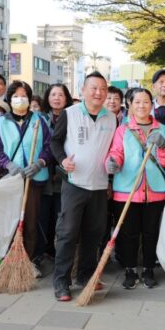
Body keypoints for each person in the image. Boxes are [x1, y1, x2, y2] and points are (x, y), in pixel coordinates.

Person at [50, 72, 117, 302]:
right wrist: (62, 160)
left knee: (94, 233)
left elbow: (113, 150)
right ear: (83, 89)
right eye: (93, 88)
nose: (98, 92)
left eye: (102, 88)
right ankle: (61, 281)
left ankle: (86, 275)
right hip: (74, 183)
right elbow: (55, 142)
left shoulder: (111, 118)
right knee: (67, 233)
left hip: (99, 185)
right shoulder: (69, 114)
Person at [105, 88, 165, 289]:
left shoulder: (163, 130)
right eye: (137, 102)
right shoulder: (123, 130)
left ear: (152, 105)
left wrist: (162, 147)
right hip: (127, 189)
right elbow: (116, 152)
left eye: (146, 102)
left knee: (151, 232)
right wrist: (112, 163)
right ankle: (130, 269)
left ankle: (149, 269)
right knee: (128, 233)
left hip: (156, 190)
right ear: (130, 105)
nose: (142, 106)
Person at [0, 81, 54, 276]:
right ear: (9, 99)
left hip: (33, 180)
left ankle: (30, 260)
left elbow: (50, 146)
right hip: (11, 180)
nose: (20, 99)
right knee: (11, 221)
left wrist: (40, 163)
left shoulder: (39, 120)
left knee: (31, 221)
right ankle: (10, 260)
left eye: (24, 95)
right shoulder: (1, 122)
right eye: (16, 96)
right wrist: (8, 165)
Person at [38, 84, 74, 260]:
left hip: (65, 175)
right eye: (53, 94)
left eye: (61, 94)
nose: (57, 98)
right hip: (43, 174)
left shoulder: (73, 118)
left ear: (66, 98)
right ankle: (45, 250)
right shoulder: (40, 119)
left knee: (61, 216)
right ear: (47, 97)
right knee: (44, 215)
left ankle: (60, 252)